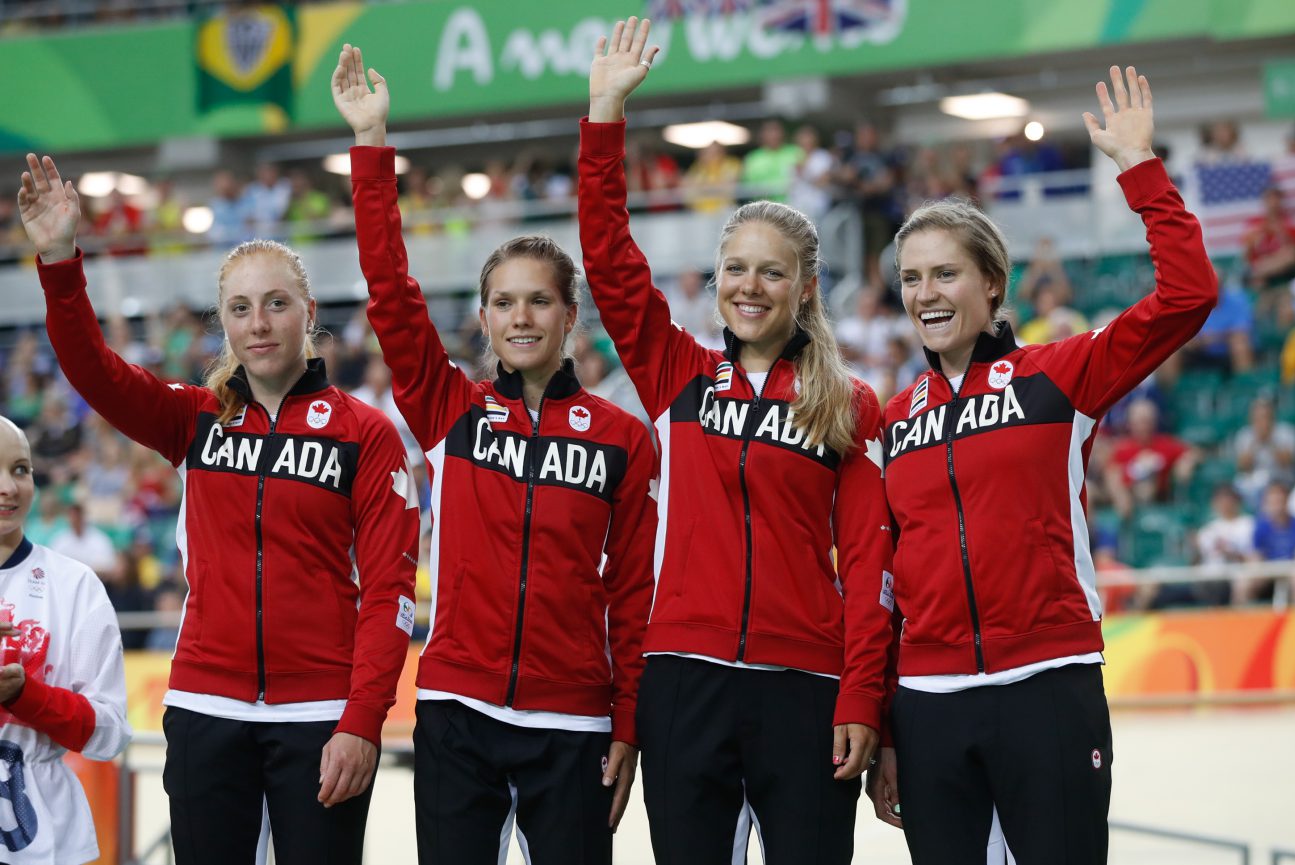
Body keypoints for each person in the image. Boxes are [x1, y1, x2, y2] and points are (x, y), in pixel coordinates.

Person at [18, 153, 419, 865]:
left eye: (275, 303)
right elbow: (93, 371)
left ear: (309, 313)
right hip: (207, 710)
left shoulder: (367, 433)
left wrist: (361, 720)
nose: (258, 323)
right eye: (240, 308)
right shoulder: (197, 419)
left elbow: (389, 594)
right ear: (224, 322)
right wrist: (58, 258)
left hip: (319, 717)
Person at [871, 66, 1218, 864]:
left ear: (992, 284)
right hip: (930, 700)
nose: (926, 292)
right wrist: (889, 724)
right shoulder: (894, 419)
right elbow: (886, 577)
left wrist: (1139, 167)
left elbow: (1189, 294)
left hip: (1048, 680)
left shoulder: (1060, 376)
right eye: (911, 278)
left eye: (946, 273)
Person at [332, 44, 657, 863]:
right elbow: (390, 292)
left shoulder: (624, 440)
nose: (521, 316)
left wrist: (627, 720)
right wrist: (371, 146)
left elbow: (634, 591)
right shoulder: (450, 410)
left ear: (568, 314)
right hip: (455, 712)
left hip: (573, 723)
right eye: (503, 301)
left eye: (539, 300)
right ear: (482, 317)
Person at [581, 19, 893, 864]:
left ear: (804, 285)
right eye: (736, 269)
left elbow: (869, 565)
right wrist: (605, 114)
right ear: (716, 280)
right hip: (685, 679)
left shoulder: (850, 403)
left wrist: (864, 696)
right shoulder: (678, 373)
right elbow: (610, 264)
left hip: (808, 690)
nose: (751, 286)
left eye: (772, 271)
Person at [0, 415, 132, 865]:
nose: (9, 487)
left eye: (21, 469)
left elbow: (110, 733)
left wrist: (24, 695)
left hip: (46, 836)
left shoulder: (75, 584)